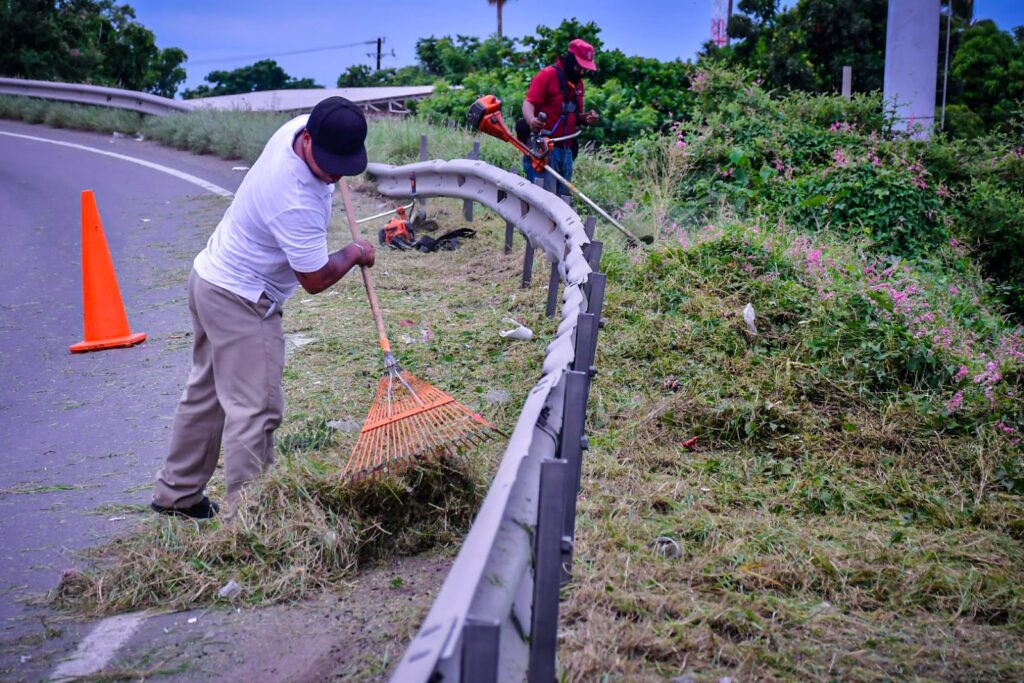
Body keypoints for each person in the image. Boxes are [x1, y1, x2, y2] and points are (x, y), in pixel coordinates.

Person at [150, 96, 376, 519]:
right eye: (327, 163)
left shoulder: (295, 127)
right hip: (241, 299)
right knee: (256, 409)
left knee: (207, 396)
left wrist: (334, 162)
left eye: (342, 165)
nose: (332, 174)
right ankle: (252, 520)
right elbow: (315, 279)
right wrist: (354, 251)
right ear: (308, 139)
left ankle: (176, 495)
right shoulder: (295, 199)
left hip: (210, 278)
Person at [520, 38, 600, 196]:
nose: (582, 72)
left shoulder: (578, 84)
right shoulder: (547, 75)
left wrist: (586, 118)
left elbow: (574, 117)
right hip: (544, 149)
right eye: (580, 67)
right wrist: (532, 121)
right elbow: (528, 104)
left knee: (563, 201)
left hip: (566, 152)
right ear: (570, 60)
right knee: (544, 201)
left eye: (585, 69)